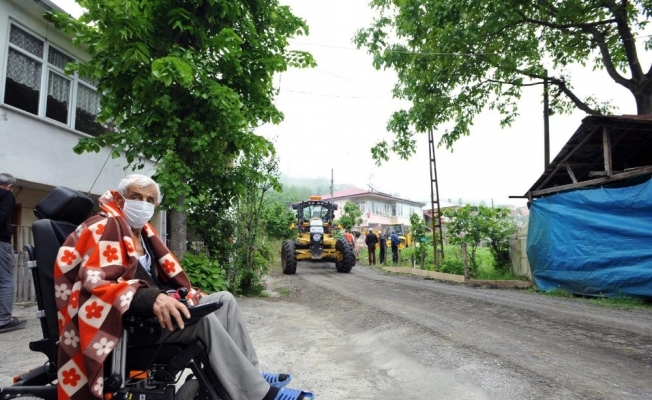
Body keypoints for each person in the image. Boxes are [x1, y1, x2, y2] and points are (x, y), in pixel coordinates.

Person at [53, 174, 313, 400]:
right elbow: (97, 282)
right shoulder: (104, 226)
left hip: (147, 316)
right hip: (124, 325)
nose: (143, 204)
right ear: (120, 199)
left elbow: (155, 279)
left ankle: (250, 376)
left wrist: (173, 295)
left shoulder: (142, 233)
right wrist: (151, 298)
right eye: (136, 197)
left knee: (224, 300)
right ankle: (258, 395)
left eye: (149, 200)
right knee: (201, 321)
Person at [0, 173, 26, 334]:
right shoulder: (6, 195)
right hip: (0, 241)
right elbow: (2, 217)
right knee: (5, 280)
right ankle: (3, 321)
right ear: (10, 186)